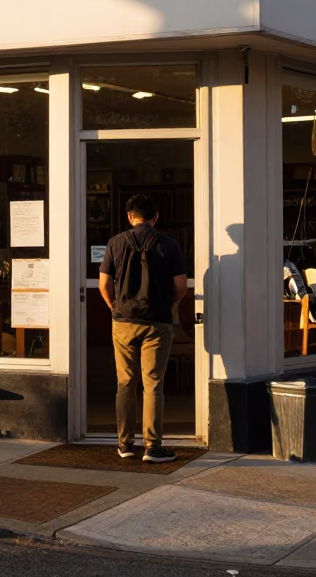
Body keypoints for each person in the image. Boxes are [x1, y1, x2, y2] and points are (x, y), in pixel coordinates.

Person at [98, 194, 189, 463]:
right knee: (153, 384)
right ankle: (153, 447)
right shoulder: (169, 245)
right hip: (158, 323)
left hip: (123, 322)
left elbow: (104, 284)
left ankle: (125, 444)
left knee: (125, 382)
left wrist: (114, 307)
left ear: (129, 216)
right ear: (156, 216)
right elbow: (181, 285)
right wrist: (169, 307)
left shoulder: (115, 243)